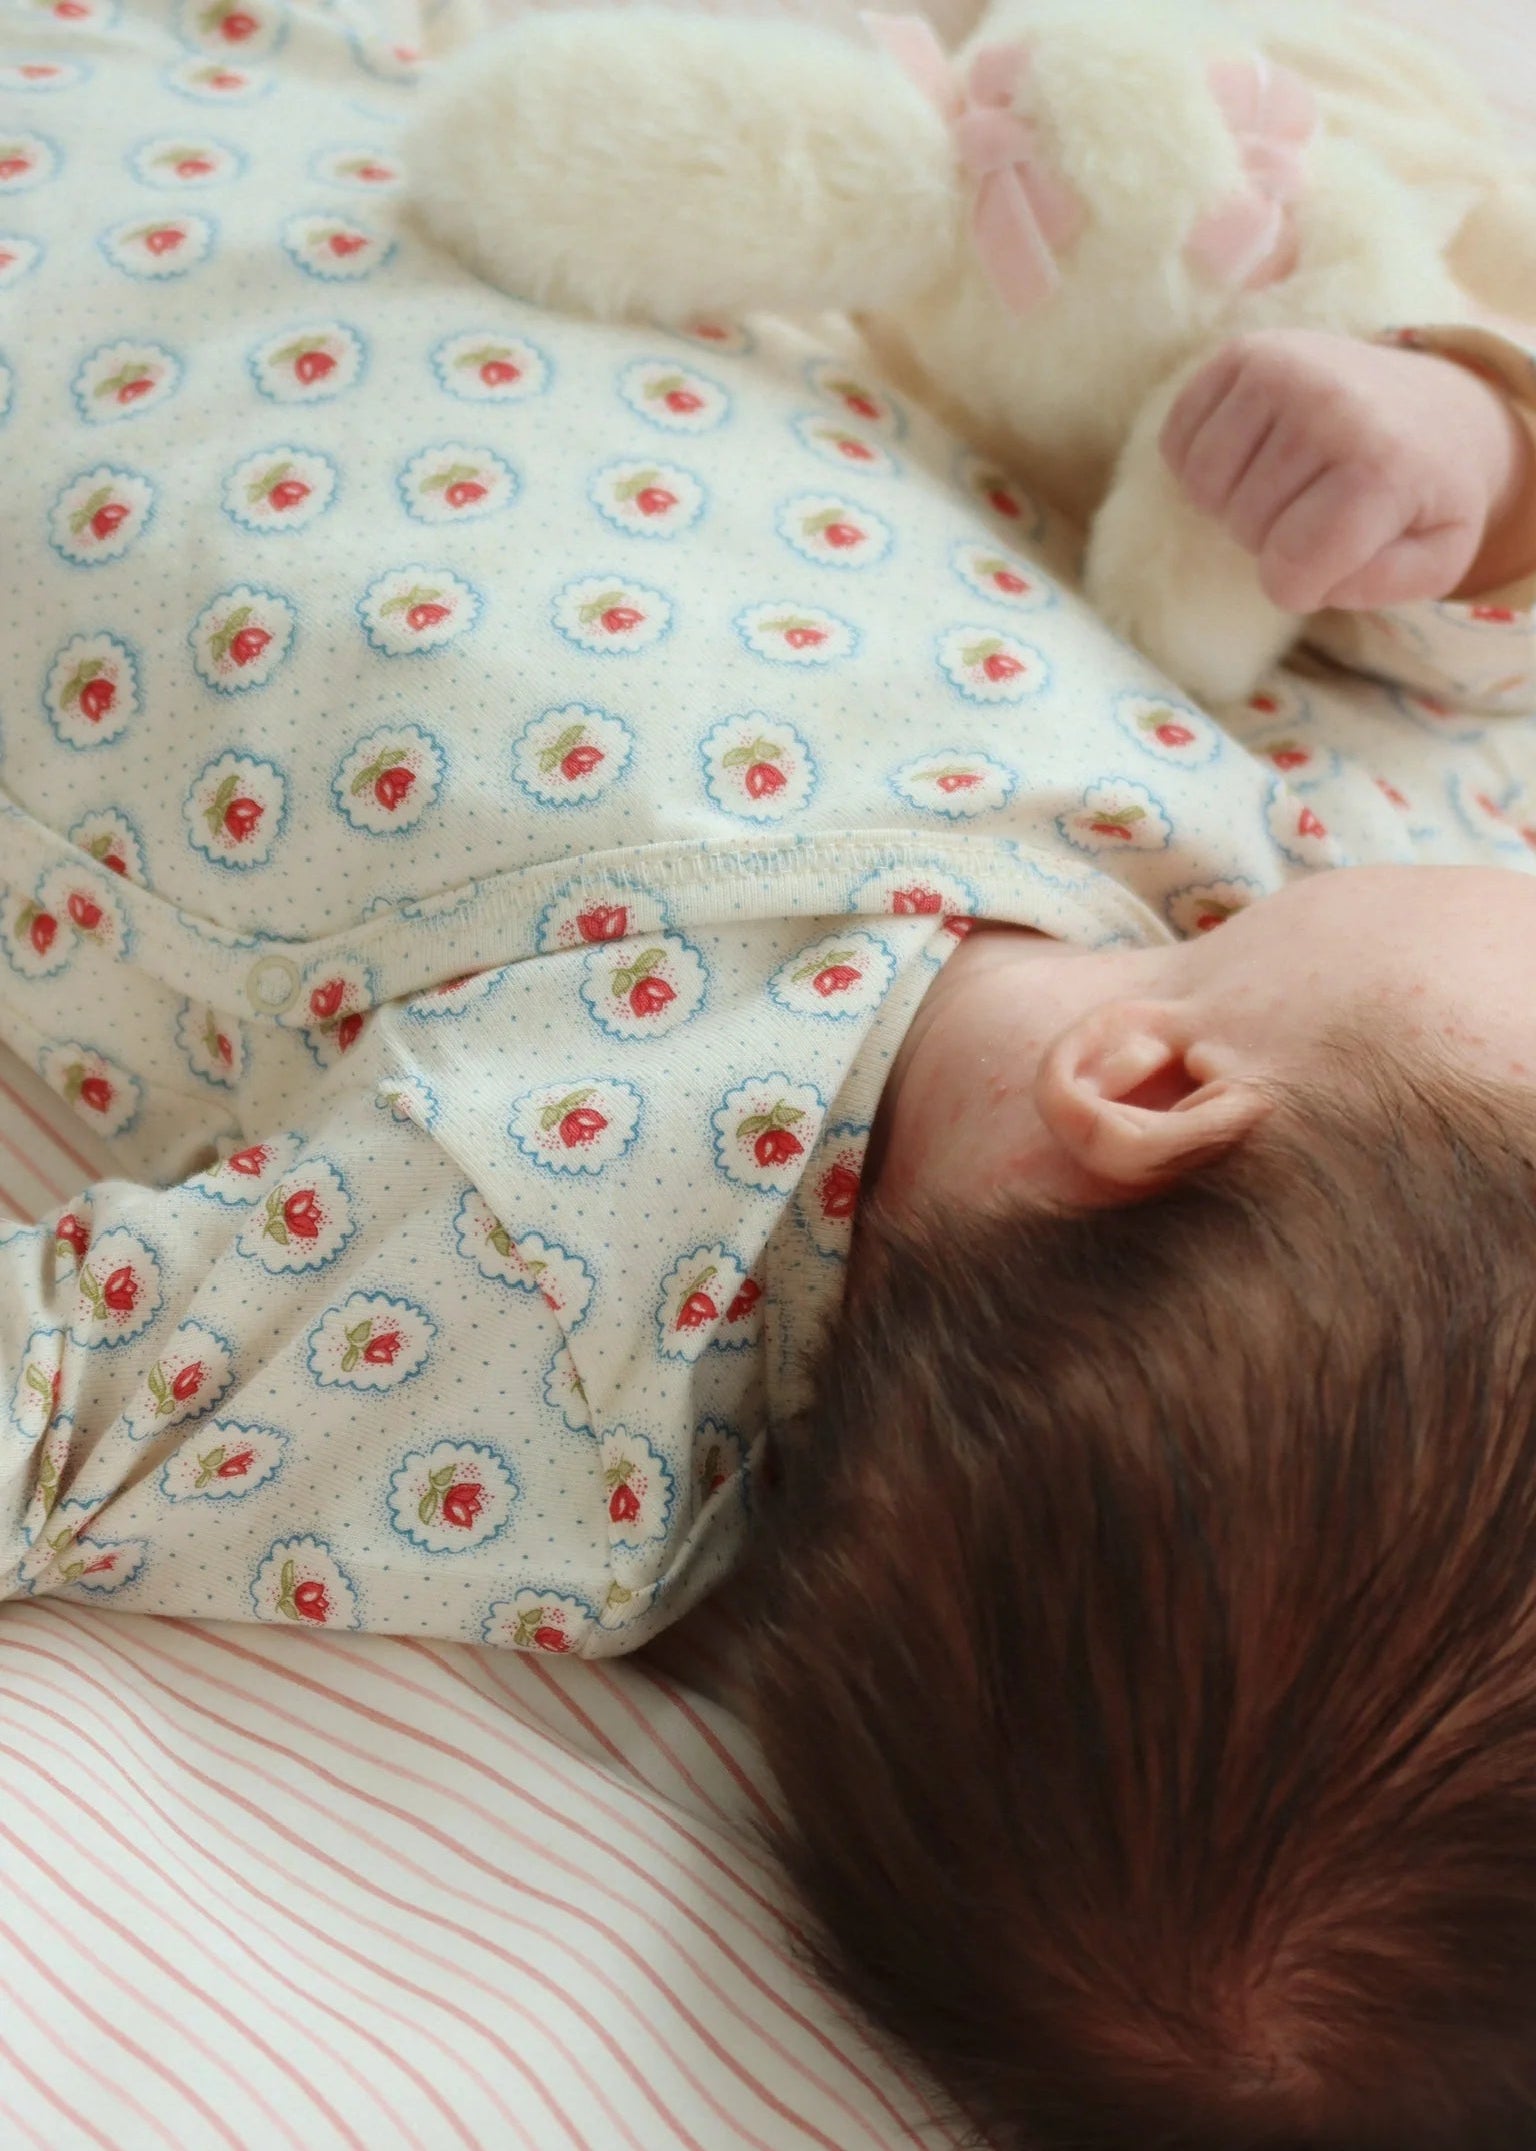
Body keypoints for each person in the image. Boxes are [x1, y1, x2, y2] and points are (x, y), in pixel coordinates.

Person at [5, 2, 1536, 2139]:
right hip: (523, 160)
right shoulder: (1248, 885)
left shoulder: (545, 1296)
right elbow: (1407, 613)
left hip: (115, 246)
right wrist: (1455, 464)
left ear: (1159, 1089)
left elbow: (56, 1400)